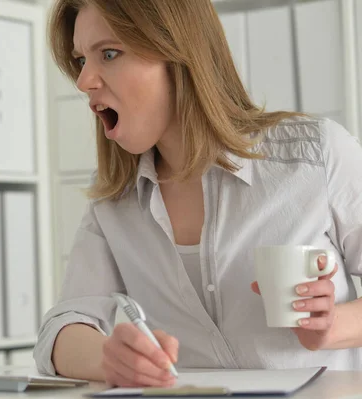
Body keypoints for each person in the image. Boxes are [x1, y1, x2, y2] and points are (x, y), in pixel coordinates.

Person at [33, 0, 362, 389]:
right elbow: (63, 327)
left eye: (109, 53)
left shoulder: (316, 155)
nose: (84, 81)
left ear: (179, 54)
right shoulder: (114, 197)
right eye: (81, 60)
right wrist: (110, 360)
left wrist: (330, 328)